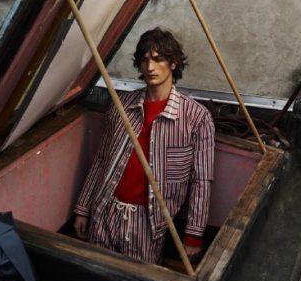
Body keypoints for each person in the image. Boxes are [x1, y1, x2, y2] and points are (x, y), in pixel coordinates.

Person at [74, 27, 214, 265]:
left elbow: (201, 181)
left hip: (149, 222)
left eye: (158, 59)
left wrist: (193, 235)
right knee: (97, 276)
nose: (150, 67)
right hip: (105, 210)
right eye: (144, 60)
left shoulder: (196, 118)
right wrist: (83, 208)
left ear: (173, 64)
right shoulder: (122, 106)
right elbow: (101, 159)